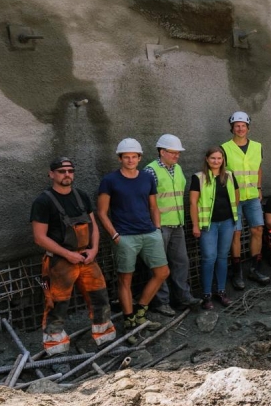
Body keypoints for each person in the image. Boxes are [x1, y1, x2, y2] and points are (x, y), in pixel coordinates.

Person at [30, 157, 116, 354]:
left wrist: (94, 249)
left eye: (70, 170)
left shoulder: (81, 196)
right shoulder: (43, 202)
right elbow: (39, 238)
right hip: (59, 262)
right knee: (56, 303)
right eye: (61, 171)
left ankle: (105, 338)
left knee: (100, 296)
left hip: (87, 258)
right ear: (51, 174)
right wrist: (68, 254)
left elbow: (93, 226)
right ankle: (55, 348)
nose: (67, 174)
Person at [97, 138, 170, 327]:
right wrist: (115, 235)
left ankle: (141, 312)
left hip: (149, 232)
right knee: (125, 279)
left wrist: (157, 228)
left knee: (162, 272)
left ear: (139, 158)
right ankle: (129, 320)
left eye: (134, 157)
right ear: (120, 158)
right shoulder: (110, 180)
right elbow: (102, 212)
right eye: (126, 157)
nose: (130, 160)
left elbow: (153, 206)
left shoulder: (147, 177)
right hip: (125, 236)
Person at [143, 134, 192, 316]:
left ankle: (182, 297)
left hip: (177, 224)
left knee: (181, 262)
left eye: (178, 153)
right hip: (159, 226)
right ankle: (161, 302)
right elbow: (147, 201)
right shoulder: (151, 171)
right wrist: (153, 226)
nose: (177, 156)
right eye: (173, 153)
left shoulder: (177, 168)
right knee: (159, 266)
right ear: (162, 152)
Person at [221, 111, 268, 291]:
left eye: (243, 125)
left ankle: (255, 269)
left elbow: (258, 169)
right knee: (236, 233)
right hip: (234, 198)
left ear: (248, 128)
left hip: (253, 196)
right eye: (236, 125)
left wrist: (259, 188)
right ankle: (237, 272)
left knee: (257, 229)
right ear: (232, 128)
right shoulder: (224, 148)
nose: (240, 128)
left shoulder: (257, 146)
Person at [189, 146, 239, 310]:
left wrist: (232, 216)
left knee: (222, 257)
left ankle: (221, 291)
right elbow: (193, 203)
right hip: (207, 225)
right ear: (207, 159)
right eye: (213, 158)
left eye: (219, 158)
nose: (216, 161)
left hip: (227, 223)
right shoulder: (199, 177)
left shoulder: (230, 176)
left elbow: (236, 196)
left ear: (223, 160)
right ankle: (206, 295)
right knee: (209, 258)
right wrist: (195, 225)